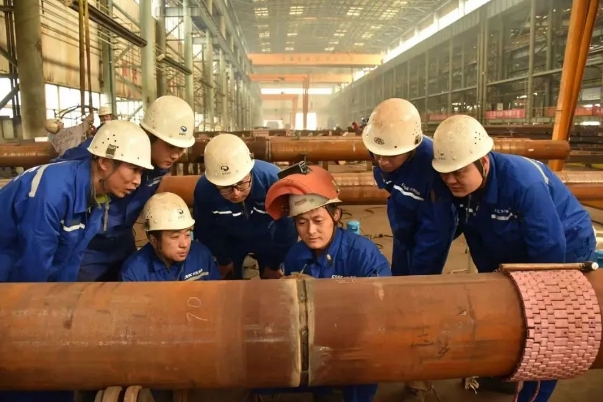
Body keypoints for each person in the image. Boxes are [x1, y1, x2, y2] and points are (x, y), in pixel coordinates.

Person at [431, 114, 596, 402]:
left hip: (565, 245)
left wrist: (541, 300)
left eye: (458, 172)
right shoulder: (465, 187)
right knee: (505, 308)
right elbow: (476, 238)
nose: (450, 180)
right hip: (516, 244)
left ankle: (533, 391)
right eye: (445, 173)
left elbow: (549, 248)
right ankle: (505, 365)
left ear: (483, 162)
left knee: (546, 326)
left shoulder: (522, 183)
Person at [0, 121, 152, 402]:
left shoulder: (97, 197)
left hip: (28, 276)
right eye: (133, 169)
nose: (137, 181)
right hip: (10, 274)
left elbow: (69, 261)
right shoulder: (51, 191)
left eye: (142, 172)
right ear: (105, 162)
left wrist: (64, 310)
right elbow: (32, 271)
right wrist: (39, 324)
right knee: (19, 361)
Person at [262, 164, 391, 402]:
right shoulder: (295, 255)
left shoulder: (362, 254)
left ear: (336, 215)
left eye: (318, 220)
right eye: (302, 222)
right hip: (315, 339)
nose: (311, 231)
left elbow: (382, 309)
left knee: (360, 372)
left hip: (357, 339)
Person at [55, 95, 196, 282]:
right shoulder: (110, 146)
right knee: (86, 296)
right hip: (89, 248)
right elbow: (57, 176)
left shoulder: (160, 164)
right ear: (150, 136)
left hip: (123, 243)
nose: (176, 155)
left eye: (181, 149)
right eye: (171, 146)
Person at [193, 133, 298, 280]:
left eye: (241, 183)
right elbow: (205, 230)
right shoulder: (204, 189)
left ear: (250, 172)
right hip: (229, 240)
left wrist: (274, 264)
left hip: (269, 239)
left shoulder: (273, 180)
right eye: (225, 187)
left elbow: (288, 228)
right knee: (229, 284)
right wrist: (223, 260)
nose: (236, 194)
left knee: (272, 285)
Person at [121, 192, 220, 282]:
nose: (184, 244)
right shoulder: (134, 274)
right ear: (154, 240)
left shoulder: (202, 256)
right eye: (175, 237)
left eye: (187, 234)